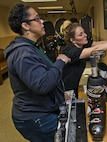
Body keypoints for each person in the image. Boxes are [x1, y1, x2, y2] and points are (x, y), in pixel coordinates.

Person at [4, 3, 71, 142]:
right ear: (25, 26)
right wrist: (60, 61)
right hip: (35, 117)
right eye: (37, 18)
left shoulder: (32, 47)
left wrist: (59, 96)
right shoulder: (23, 53)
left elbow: (42, 74)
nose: (42, 22)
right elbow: (42, 84)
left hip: (41, 109)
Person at [61, 22, 107, 98]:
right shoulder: (71, 51)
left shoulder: (81, 44)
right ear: (73, 40)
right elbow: (97, 49)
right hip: (64, 89)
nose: (85, 35)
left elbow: (99, 44)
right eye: (80, 34)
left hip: (73, 85)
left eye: (84, 32)